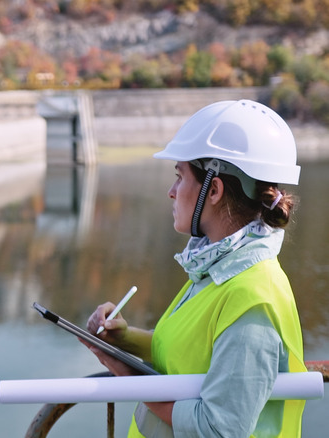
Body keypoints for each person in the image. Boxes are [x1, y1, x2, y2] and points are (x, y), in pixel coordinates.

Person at [84, 99, 306, 437]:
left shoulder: (253, 297)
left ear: (213, 189)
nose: (171, 192)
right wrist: (125, 340)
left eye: (179, 177)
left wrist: (129, 378)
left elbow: (219, 429)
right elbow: (194, 353)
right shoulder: (220, 267)